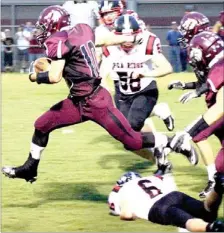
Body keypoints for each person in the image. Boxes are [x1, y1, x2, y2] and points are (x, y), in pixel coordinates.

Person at [1, 6, 196, 183]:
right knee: (42, 125)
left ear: (54, 25)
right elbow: (104, 40)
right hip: (77, 101)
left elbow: (54, 77)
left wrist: (35, 76)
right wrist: (129, 39)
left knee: (132, 140)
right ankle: (30, 168)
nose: (42, 31)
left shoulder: (58, 41)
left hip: (96, 101)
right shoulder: (81, 30)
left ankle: (174, 141)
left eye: (44, 27)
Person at [103, 15, 176, 174]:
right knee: (127, 141)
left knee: (132, 127)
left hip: (145, 90)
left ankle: (170, 141)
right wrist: (103, 85)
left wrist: (146, 73)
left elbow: (167, 68)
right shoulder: (108, 45)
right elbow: (102, 72)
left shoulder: (147, 43)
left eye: (132, 36)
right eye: (123, 36)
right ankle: (161, 161)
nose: (128, 41)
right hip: (122, 94)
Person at [168, 12, 217, 198]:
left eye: (186, 31)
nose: (183, 36)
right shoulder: (201, 46)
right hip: (213, 102)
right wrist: (186, 85)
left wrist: (196, 91)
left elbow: (216, 80)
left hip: (219, 103)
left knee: (198, 134)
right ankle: (215, 178)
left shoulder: (207, 47)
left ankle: (214, 179)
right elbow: (206, 81)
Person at [108, 171, 224, 232]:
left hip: (157, 207)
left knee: (187, 221)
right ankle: (218, 186)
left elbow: (126, 214)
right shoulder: (148, 178)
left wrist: (133, 215)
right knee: (206, 211)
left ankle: (212, 228)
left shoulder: (125, 191)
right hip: (174, 195)